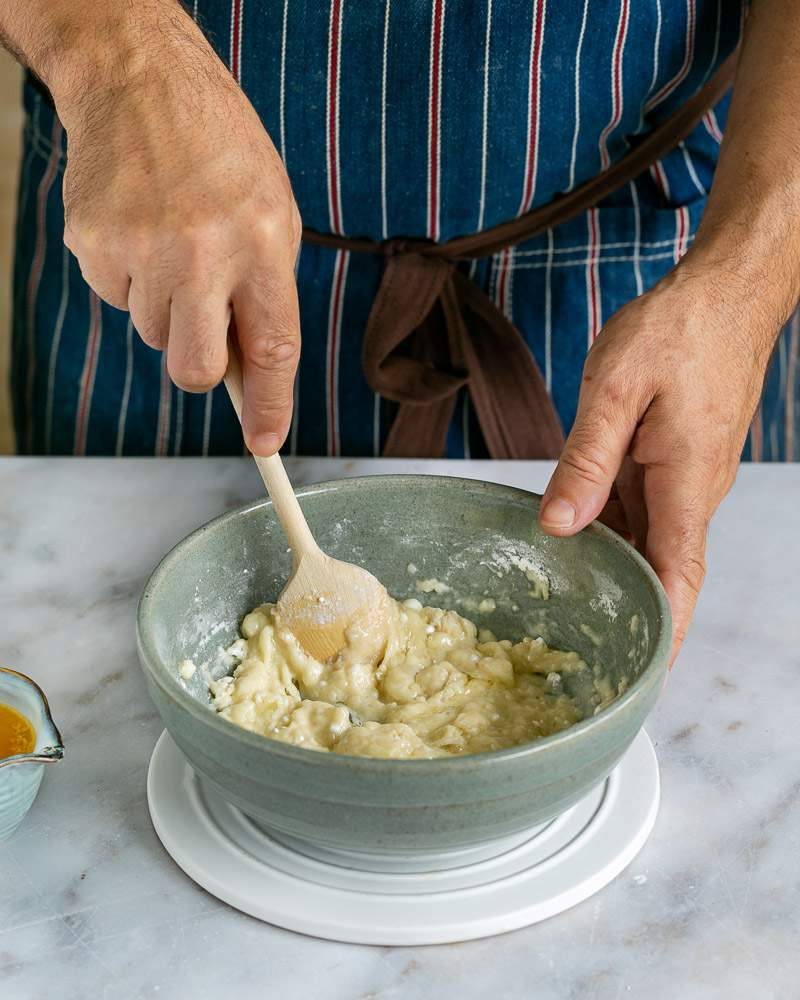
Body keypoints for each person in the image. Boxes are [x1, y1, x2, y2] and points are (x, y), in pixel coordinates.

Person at [1, 1, 798, 664]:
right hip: (156, 223)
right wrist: (116, 49)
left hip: (629, 262)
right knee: (102, 677)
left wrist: (745, 279)